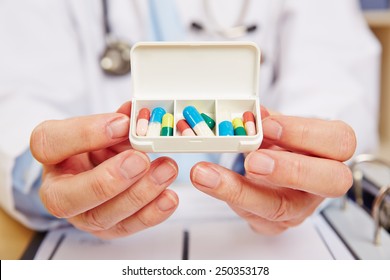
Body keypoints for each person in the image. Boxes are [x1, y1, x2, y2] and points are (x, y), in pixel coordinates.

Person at [0, 0, 381, 239]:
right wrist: (44, 173)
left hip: (255, 236)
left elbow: (337, 77)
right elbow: (17, 85)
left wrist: (298, 161)